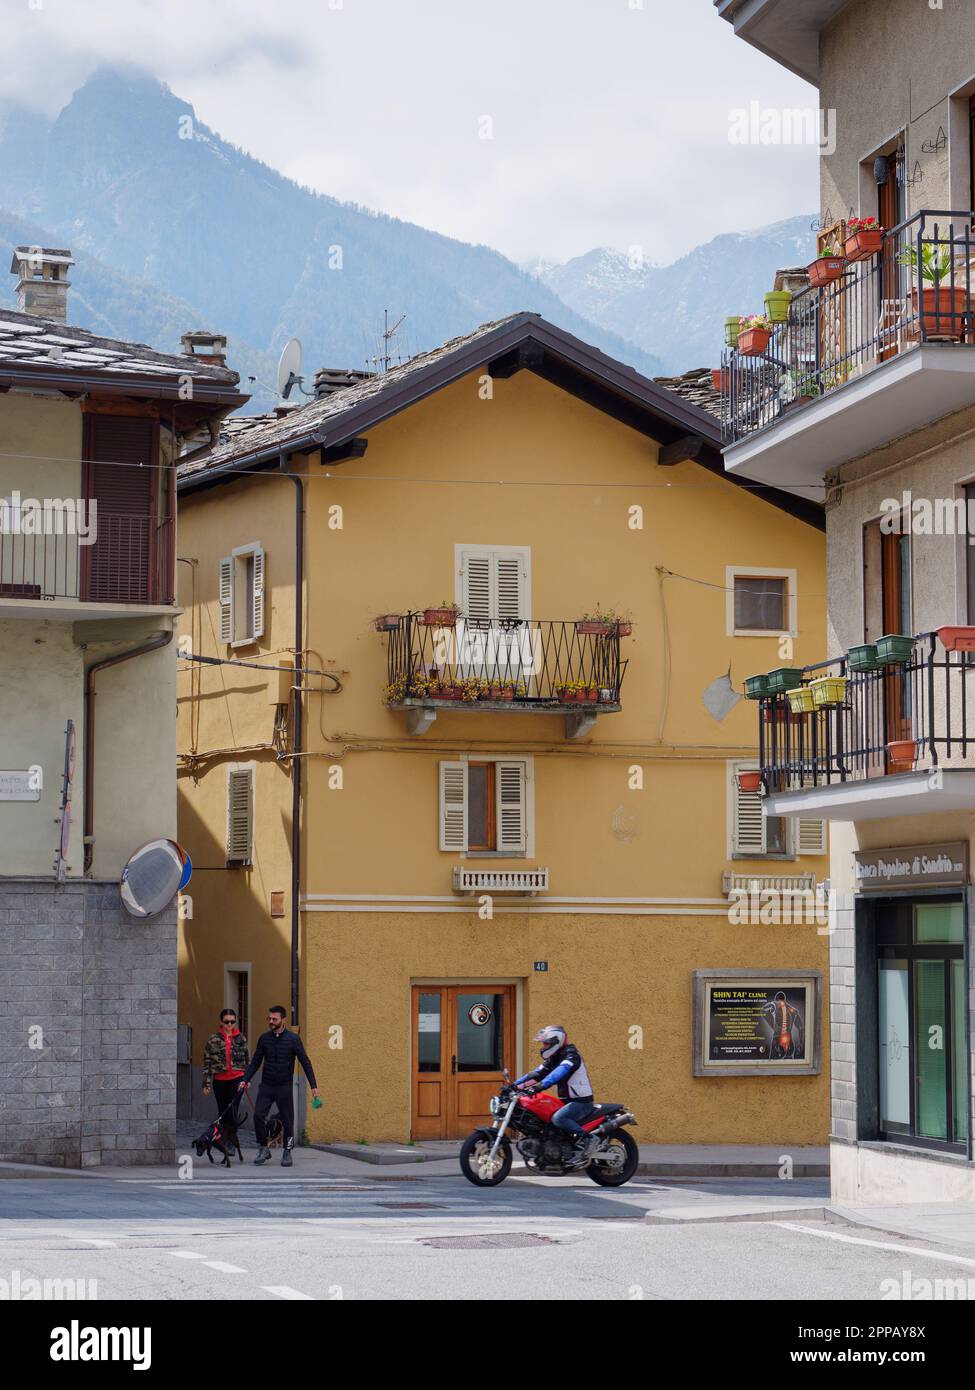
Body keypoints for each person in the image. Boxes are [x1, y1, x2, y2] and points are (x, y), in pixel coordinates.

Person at [239, 1005, 320, 1167]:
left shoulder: (293, 1039)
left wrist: (313, 1085)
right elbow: (255, 1062)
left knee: (288, 1120)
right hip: (267, 1085)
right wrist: (245, 1079)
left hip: (284, 1086)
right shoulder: (264, 1038)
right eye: (269, 1019)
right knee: (258, 1115)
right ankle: (263, 1148)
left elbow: (305, 1062)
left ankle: (287, 1152)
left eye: (274, 1019)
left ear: (283, 1020)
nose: (271, 1021)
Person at [515, 1025, 597, 1163]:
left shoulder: (571, 1055)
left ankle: (589, 1139)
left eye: (546, 1043)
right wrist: (515, 1086)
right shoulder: (554, 1058)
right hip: (566, 1102)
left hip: (581, 1102)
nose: (544, 1046)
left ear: (556, 1042)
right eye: (544, 1043)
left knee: (558, 1119)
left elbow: (559, 1073)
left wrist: (541, 1086)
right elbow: (537, 1074)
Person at [202, 1008, 249, 1128]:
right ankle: (222, 1139)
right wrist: (206, 1083)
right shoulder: (213, 1039)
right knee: (222, 1112)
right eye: (227, 1021)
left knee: (233, 1111)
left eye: (232, 1022)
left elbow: (247, 1060)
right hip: (220, 1080)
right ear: (221, 1022)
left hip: (237, 1079)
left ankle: (231, 1143)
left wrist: (247, 1079)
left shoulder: (241, 1038)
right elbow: (207, 1061)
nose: (229, 1024)